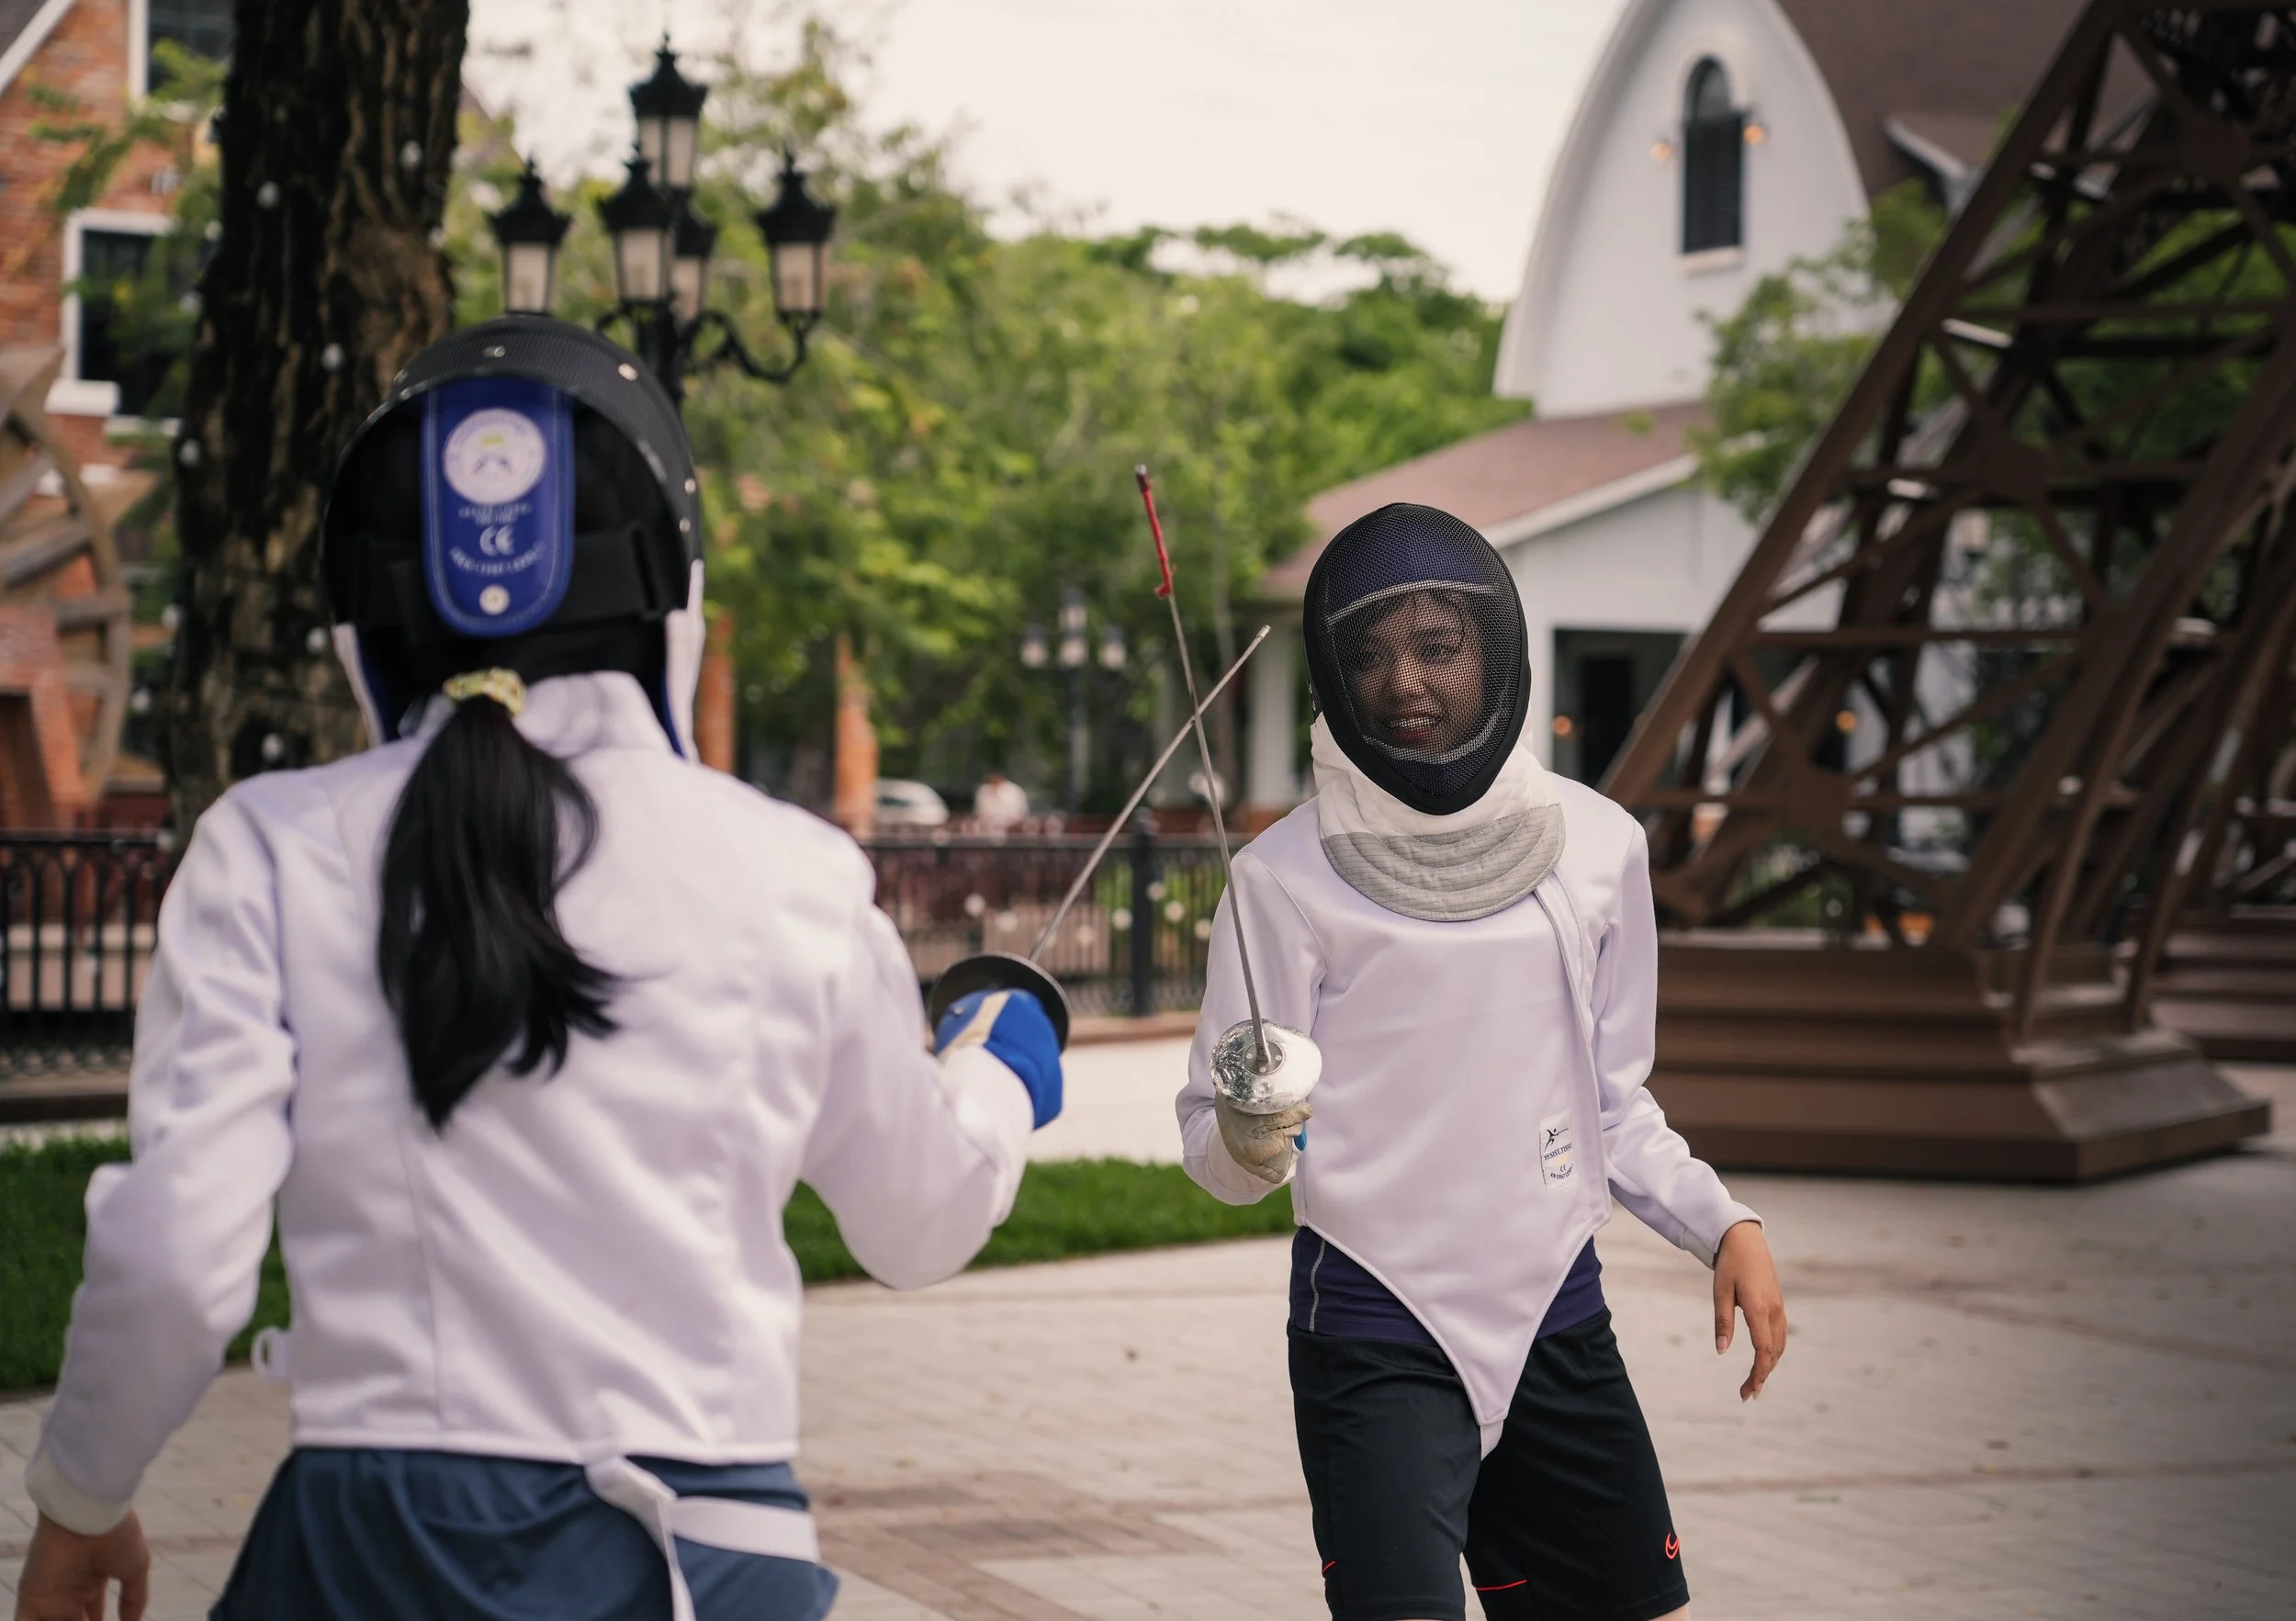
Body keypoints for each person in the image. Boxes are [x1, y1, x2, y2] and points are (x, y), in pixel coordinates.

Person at [14, 318, 1064, 1621]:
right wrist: (1004, 1069)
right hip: (700, 1558)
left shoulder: (270, 848)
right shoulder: (793, 870)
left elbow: (177, 1256)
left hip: (367, 1560)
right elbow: (919, 1219)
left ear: (373, 596)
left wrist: (78, 1498)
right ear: (666, 588)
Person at [1176, 502, 1786, 1621]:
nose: (1403, 681)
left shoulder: (1600, 846)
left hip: (1555, 1304)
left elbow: (1613, 1099)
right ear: (1331, 673)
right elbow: (1214, 1150)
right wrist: (1247, 1136)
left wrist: (1723, 1222)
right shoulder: (1279, 879)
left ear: (1493, 649)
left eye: (1436, 645)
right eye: (1368, 653)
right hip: (1375, 1317)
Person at [973, 770, 1029, 834]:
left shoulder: (1015, 791)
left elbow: (1021, 814)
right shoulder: (983, 791)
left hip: (1011, 830)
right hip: (986, 831)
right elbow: (978, 813)